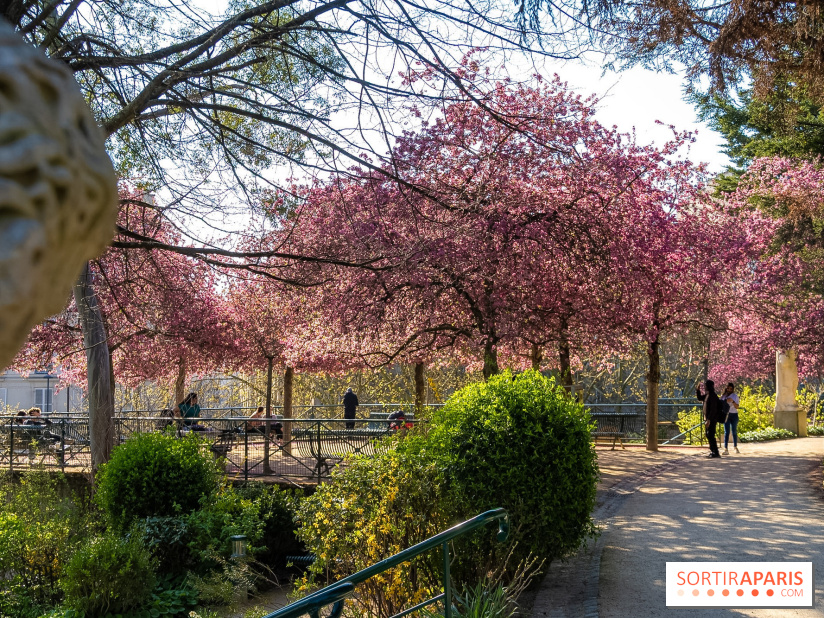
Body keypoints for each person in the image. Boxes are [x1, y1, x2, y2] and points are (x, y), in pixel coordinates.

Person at [696, 380, 722, 458]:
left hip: (712, 419)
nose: (705, 387)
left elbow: (713, 409)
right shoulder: (708, 395)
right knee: (709, 434)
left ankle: (715, 452)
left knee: (710, 434)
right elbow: (700, 398)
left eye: (705, 386)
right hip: (708, 418)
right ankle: (713, 451)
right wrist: (698, 390)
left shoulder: (712, 396)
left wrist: (709, 420)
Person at [721, 382, 740, 455]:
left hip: (734, 414)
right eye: (728, 388)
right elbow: (720, 404)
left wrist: (733, 401)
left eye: (731, 388)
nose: (729, 390)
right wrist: (726, 401)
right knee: (726, 432)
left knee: (734, 431)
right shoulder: (723, 396)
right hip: (726, 414)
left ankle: (735, 447)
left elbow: (737, 406)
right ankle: (726, 448)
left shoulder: (735, 396)